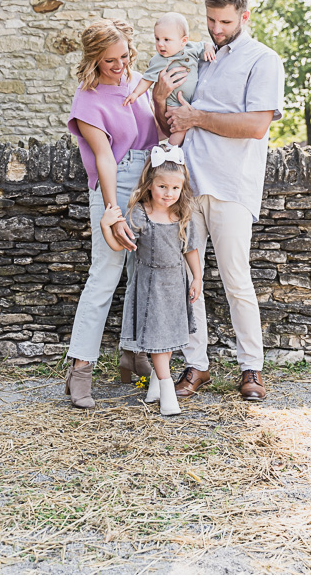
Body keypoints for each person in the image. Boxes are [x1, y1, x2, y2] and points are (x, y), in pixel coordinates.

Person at [151, 0, 284, 402]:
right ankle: (198, 364)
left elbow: (256, 126)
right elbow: (172, 124)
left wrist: (197, 118)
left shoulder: (263, 60)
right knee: (188, 279)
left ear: (244, 17)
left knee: (235, 280)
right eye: (210, 19)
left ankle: (252, 369)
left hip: (232, 186)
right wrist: (159, 102)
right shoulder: (200, 58)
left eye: (224, 21)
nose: (216, 27)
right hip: (189, 185)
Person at [63, 18, 161, 409]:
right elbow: (103, 156)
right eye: (109, 61)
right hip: (116, 182)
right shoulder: (87, 100)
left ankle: (133, 357)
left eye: (123, 56)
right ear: (93, 60)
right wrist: (112, 210)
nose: (119, 66)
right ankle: (80, 371)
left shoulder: (137, 80)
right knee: (105, 274)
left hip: (151, 180)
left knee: (144, 274)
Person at [100, 144, 203, 417]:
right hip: (150, 286)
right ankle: (167, 390)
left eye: (174, 188)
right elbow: (119, 246)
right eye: (162, 187)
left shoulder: (182, 216)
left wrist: (197, 277)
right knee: (158, 336)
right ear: (150, 184)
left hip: (174, 284)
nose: (168, 194)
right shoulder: (140, 213)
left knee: (168, 337)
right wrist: (105, 226)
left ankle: (156, 385)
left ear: (182, 189)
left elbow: (190, 249)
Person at [122, 12, 216, 146]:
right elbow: (146, 79)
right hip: (174, 104)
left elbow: (205, 45)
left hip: (194, 101)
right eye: (157, 39)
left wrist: (208, 49)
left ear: (183, 41)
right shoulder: (159, 60)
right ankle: (169, 150)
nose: (160, 44)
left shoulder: (191, 48)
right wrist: (135, 94)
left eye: (166, 40)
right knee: (179, 130)